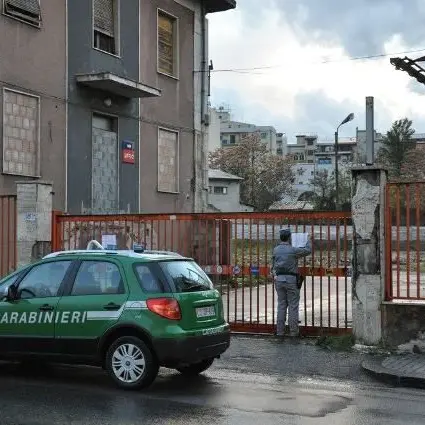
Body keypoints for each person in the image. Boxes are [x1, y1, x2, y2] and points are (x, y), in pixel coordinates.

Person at [272, 228, 312, 338]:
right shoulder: (293, 250)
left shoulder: (275, 250)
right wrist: (308, 239)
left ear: (281, 237)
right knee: (293, 306)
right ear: (289, 238)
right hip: (291, 280)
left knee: (281, 305)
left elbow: (273, 267)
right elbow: (308, 250)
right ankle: (294, 332)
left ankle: (280, 332)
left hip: (279, 280)